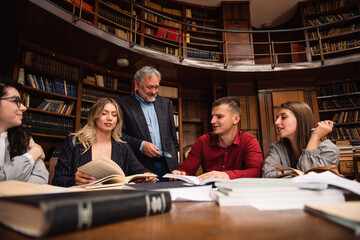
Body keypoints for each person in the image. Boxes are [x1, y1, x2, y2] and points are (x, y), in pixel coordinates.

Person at [52, 98, 155, 187]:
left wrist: (148, 176)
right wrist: (74, 180)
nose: (110, 118)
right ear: (95, 116)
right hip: (82, 200)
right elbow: (58, 180)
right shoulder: (74, 142)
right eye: (104, 113)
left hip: (112, 201)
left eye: (114, 115)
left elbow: (141, 171)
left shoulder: (123, 147)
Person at [172, 97, 263, 181]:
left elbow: (256, 172)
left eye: (219, 117)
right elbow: (187, 170)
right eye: (212, 116)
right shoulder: (202, 141)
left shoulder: (249, 140)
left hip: (240, 195)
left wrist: (226, 175)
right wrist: (180, 174)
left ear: (235, 119)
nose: (212, 121)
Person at [116, 66, 179, 181]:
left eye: (156, 87)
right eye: (149, 87)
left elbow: (172, 137)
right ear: (137, 84)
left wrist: (175, 163)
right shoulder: (122, 104)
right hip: (140, 166)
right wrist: (141, 145)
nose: (153, 91)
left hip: (168, 166)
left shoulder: (165, 103)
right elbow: (118, 135)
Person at [262, 101, 340, 178]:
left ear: (301, 119)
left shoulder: (330, 150)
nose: (276, 122)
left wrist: (315, 137)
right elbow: (267, 175)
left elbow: (311, 180)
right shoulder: (277, 148)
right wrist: (300, 173)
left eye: (284, 117)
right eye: (277, 118)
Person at [0, 78, 48, 183]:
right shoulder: (34, 149)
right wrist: (34, 153)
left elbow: (41, 180)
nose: (24, 108)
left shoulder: (22, 137)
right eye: (15, 101)